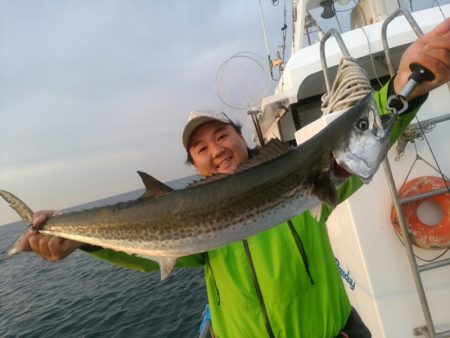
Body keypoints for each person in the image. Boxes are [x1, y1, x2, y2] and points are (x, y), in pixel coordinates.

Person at [17, 19, 450, 337]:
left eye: (221, 136)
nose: (215, 150)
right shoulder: (191, 222)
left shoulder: (314, 175)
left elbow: (364, 134)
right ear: (195, 165)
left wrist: (402, 90)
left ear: (242, 139)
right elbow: (147, 249)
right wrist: (79, 239)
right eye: (200, 149)